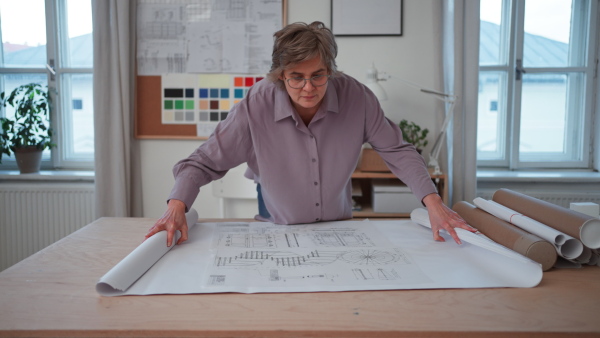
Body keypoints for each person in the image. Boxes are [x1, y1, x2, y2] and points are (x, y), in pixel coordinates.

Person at [146, 21, 476, 247]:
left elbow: (398, 151)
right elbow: (203, 162)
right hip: (278, 224)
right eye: (296, 77)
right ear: (280, 75)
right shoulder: (256, 104)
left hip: (338, 227)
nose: (308, 88)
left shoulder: (357, 98)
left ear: (330, 70)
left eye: (318, 76)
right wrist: (177, 206)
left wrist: (433, 202)